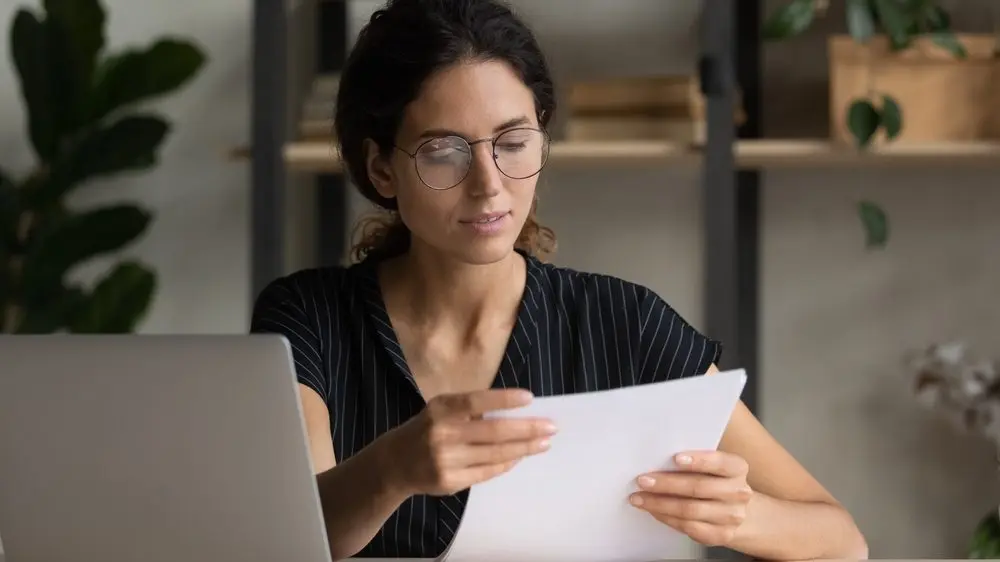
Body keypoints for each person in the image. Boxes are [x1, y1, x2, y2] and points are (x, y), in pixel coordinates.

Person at [250, 0, 868, 559]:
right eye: (444, 151)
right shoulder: (309, 317)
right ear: (381, 167)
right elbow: (287, 548)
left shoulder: (623, 322)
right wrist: (391, 469)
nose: (489, 184)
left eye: (514, 142)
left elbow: (841, 542)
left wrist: (740, 516)